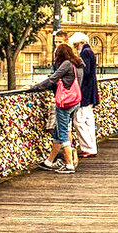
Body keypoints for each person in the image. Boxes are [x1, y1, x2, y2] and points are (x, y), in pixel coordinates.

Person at [29, 42, 84, 174]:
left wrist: (34, 87)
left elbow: (52, 79)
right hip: (75, 101)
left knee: (63, 132)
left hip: (65, 103)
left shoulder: (66, 64)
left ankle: (69, 165)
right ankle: (49, 161)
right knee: (58, 131)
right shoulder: (79, 64)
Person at [70, 32, 99, 158]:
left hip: (85, 90)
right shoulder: (90, 51)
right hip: (91, 90)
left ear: (79, 42)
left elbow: (85, 71)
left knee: (79, 121)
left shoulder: (85, 52)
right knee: (88, 120)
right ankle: (91, 147)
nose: (75, 47)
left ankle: (87, 147)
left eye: (75, 44)